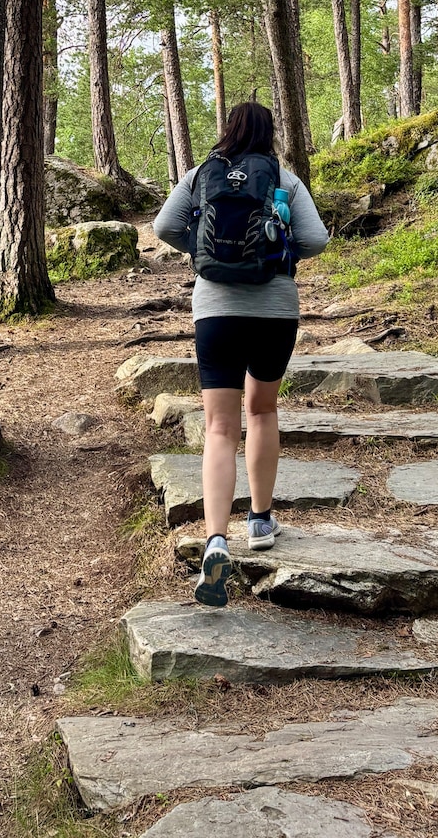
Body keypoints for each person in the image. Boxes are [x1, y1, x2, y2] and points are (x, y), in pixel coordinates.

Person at [152, 100, 329, 608]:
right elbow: (316, 238)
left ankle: (214, 539)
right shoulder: (283, 179)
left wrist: (202, 250)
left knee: (219, 428)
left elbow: (164, 228)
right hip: (275, 309)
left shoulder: (200, 175)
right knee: (263, 410)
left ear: (227, 130)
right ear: (269, 133)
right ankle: (259, 520)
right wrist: (281, 251)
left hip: (215, 311)